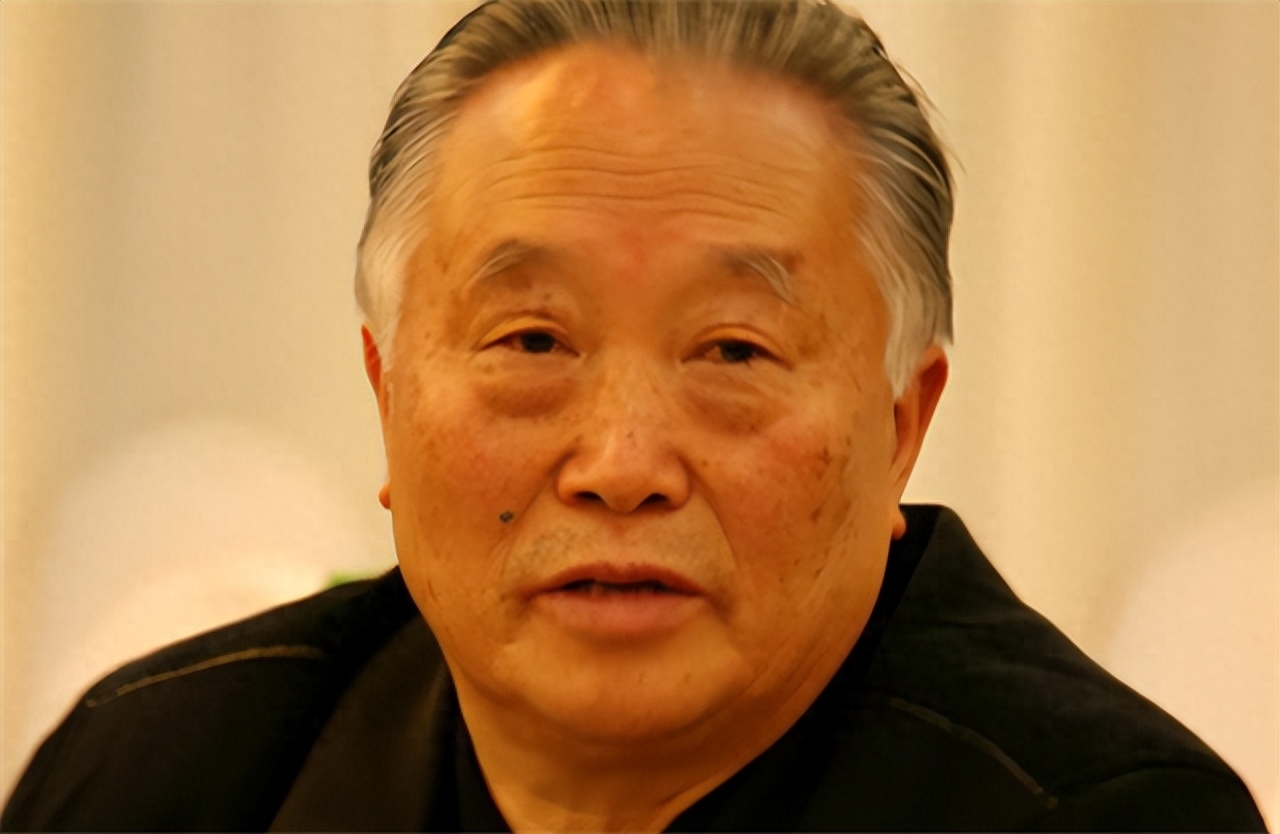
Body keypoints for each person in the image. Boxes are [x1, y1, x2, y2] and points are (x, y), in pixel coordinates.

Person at [2, 1, 1266, 831]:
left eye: (732, 350)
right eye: (531, 340)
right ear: (385, 393)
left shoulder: (1097, 818)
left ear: (901, 426)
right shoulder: (169, 777)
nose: (619, 464)